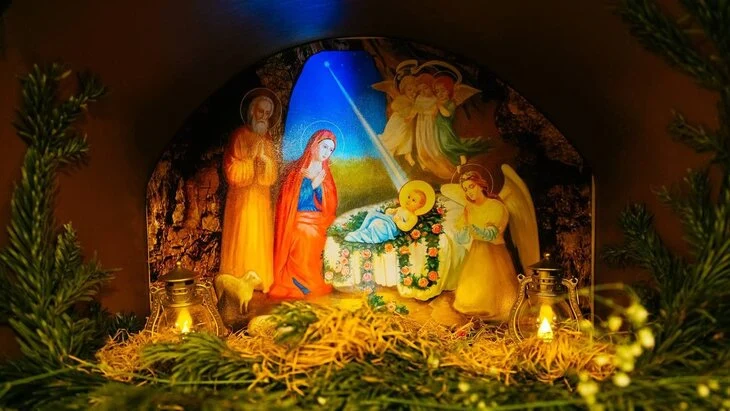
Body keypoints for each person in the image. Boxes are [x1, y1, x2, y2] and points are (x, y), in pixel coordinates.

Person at [219, 92, 278, 293]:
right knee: (243, 238)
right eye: (261, 111)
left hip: (261, 199)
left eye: (268, 114)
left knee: (259, 238)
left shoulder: (267, 138)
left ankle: (261, 280)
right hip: (241, 199)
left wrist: (266, 163)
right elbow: (232, 170)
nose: (264, 116)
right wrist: (251, 161)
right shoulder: (239, 136)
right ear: (252, 111)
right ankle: (238, 282)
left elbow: (272, 174)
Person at [269, 129, 338, 299]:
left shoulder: (325, 174)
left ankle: (312, 280)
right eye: (324, 147)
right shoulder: (297, 170)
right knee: (304, 235)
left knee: (324, 235)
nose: (326, 152)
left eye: (330, 149)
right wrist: (313, 184)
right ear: (314, 145)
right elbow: (291, 200)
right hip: (298, 217)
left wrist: (320, 187)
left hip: (320, 219)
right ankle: (298, 280)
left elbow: (330, 203)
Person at [452, 170, 519, 319]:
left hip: (494, 251)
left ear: (480, 185)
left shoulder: (495, 206)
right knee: (471, 293)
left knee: (493, 294)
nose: (469, 192)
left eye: (471, 186)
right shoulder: (468, 208)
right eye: (465, 189)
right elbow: (461, 237)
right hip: (477, 251)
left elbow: (491, 234)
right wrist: (463, 231)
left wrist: (474, 228)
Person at [344, 180, 435, 244]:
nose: (409, 200)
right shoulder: (401, 208)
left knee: (378, 224)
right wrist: (390, 211)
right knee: (372, 215)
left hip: (393, 228)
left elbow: (406, 227)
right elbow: (388, 213)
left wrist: (398, 221)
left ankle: (366, 236)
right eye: (409, 197)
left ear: (420, 206)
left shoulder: (413, 217)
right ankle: (361, 230)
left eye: (413, 200)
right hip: (387, 220)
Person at [433, 76, 489, 167]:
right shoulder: (441, 103)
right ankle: (457, 163)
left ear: (449, 91)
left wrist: (439, 106)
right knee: (443, 148)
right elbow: (435, 114)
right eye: (437, 91)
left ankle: (461, 154)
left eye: (443, 90)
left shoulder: (451, 103)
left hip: (446, 128)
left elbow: (447, 114)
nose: (440, 94)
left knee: (448, 145)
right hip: (440, 129)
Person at [379, 75, 418, 166]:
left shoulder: (414, 100)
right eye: (409, 90)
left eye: (414, 90)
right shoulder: (402, 98)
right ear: (404, 90)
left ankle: (407, 154)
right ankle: (390, 151)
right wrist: (404, 110)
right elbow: (394, 106)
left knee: (408, 137)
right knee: (397, 136)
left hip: (407, 122)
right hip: (398, 122)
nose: (412, 92)